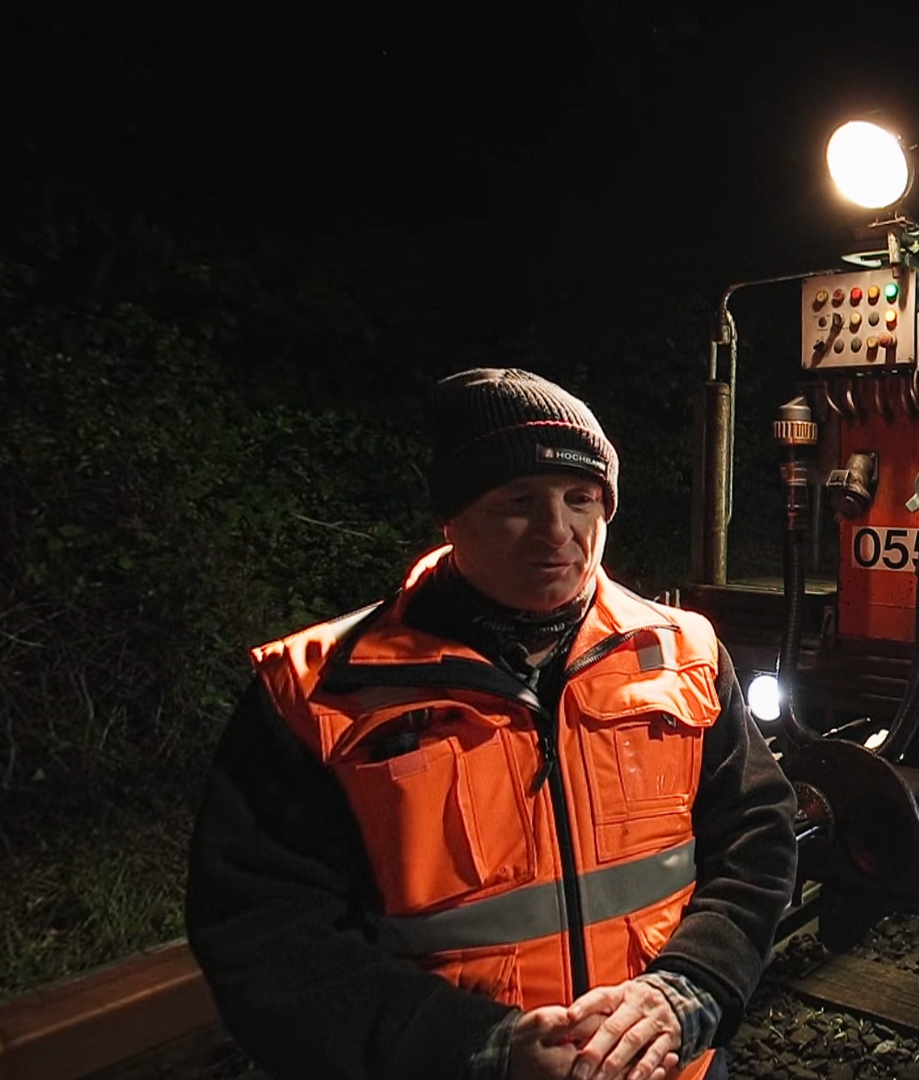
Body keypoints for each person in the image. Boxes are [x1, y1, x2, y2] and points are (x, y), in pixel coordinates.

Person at [186, 368, 800, 1080]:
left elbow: (756, 836)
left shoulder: (684, 650)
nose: (557, 531)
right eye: (518, 501)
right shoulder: (320, 692)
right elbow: (265, 930)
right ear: (451, 516)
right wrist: (477, 1048)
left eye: (580, 498)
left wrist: (690, 988)